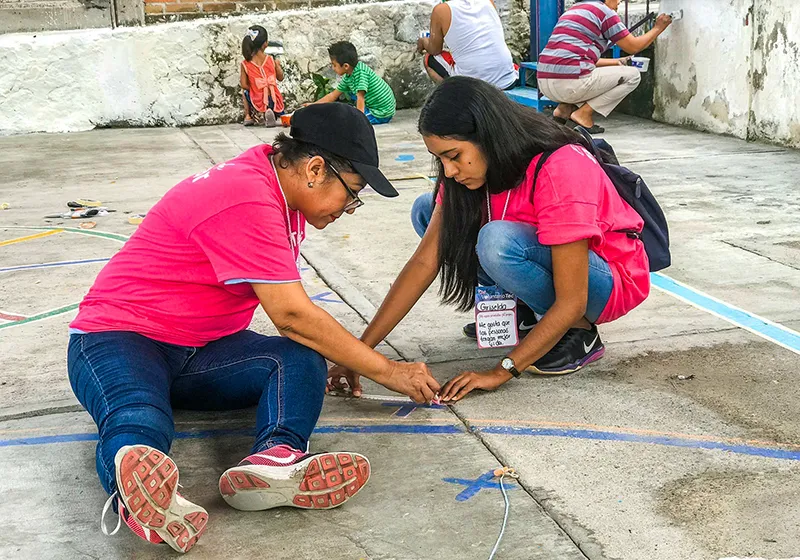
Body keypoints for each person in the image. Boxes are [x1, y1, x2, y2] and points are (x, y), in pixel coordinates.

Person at [67, 103, 440, 553]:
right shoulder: (247, 194)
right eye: (353, 192)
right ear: (315, 169)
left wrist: (348, 355)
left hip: (202, 349)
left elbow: (299, 330)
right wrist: (390, 371)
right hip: (119, 337)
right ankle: (141, 492)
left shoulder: (279, 188)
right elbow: (293, 315)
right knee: (138, 412)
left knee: (298, 356)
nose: (352, 207)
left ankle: (275, 461)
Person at [327, 76, 650, 403]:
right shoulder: (468, 175)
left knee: (496, 242)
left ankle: (580, 334)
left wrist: (502, 370)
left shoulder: (560, 164)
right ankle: (522, 310)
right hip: (548, 264)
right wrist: (360, 354)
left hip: (608, 281)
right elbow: (424, 263)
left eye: (454, 156)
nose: (449, 171)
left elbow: (572, 300)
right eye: (440, 159)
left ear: (488, 136)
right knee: (427, 209)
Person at [537, 0, 673, 133]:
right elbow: (633, 46)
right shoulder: (604, 11)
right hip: (569, 84)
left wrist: (617, 62)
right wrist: (658, 27)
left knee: (585, 74)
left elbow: (579, 57)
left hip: (544, 83)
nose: (619, 2)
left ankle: (563, 110)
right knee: (632, 76)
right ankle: (583, 115)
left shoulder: (573, 10)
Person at [417, 0, 517, 90]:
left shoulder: (441, 10)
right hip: (507, 80)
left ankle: (456, 100)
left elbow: (434, 50)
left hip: (473, 86)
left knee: (429, 58)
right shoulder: (488, 1)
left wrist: (423, 42)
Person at [314, 41, 397, 125]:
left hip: (381, 112)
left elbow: (360, 98)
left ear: (346, 66)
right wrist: (313, 105)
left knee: (350, 121)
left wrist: (358, 121)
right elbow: (333, 95)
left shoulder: (361, 73)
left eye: (334, 65)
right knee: (349, 108)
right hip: (372, 104)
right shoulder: (349, 76)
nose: (333, 68)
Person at [240, 25, 285, 127]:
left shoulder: (245, 64)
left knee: (245, 92)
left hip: (258, 101)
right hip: (274, 99)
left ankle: (248, 116)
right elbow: (281, 78)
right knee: (273, 94)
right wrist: (277, 66)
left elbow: (243, 85)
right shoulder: (271, 60)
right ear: (265, 44)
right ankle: (276, 114)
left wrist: (254, 88)